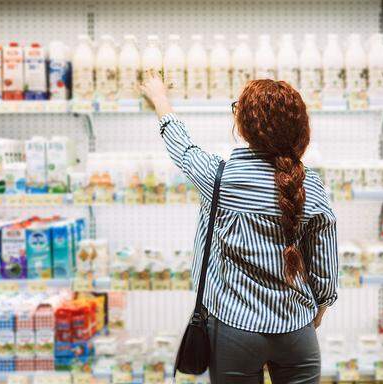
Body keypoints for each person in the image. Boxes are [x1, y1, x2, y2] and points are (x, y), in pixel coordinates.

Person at [141, 74, 338, 384]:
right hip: (296, 329)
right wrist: (320, 307)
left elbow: (181, 145)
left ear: (244, 124)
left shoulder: (218, 177)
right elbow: (324, 267)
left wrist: (159, 98)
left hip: (233, 329)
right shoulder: (310, 185)